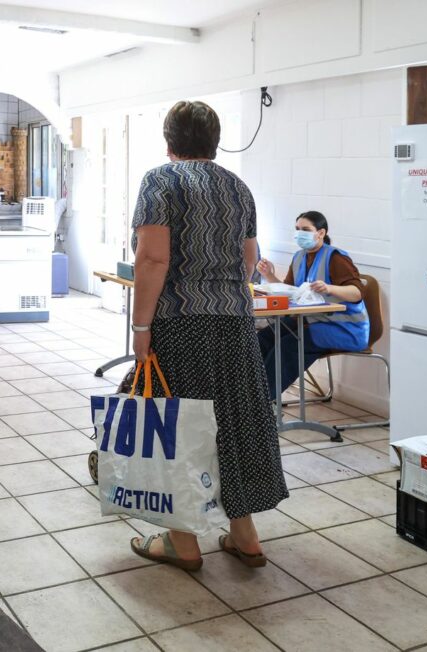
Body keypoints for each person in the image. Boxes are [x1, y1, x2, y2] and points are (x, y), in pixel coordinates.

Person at [128, 101, 288, 570]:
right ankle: (245, 535)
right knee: (235, 422)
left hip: (181, 321)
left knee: (181, 425)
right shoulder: (237, 187)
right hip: (235, 321)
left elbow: (153, 259)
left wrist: (141, 328)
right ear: (215, 140)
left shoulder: (161, 181)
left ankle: (183, 541)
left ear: (169, 141)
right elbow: (249, 257)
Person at [255, 211, 370, 399]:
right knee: (267, 336)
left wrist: (330, 288)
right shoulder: (299, 257)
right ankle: (249, 394)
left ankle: (262, 402)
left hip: (344, 328)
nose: (300, 234)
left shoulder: (337, 258)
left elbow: (357, 293)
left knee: (289, 345)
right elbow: (292, 291)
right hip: (312, 320)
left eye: (306, 230)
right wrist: (269, 275)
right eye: (297, 229)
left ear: (321, 233)